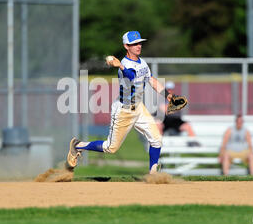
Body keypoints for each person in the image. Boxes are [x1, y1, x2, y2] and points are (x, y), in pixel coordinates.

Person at [66, 31, 187, 174]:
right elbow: (131, 75)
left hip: (139, 108)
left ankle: (153, 174)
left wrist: (168, 95)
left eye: (139, 42)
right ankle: (78, 145)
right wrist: (120, 66)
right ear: (126, 46)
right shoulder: (124, 64)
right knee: (110, 148)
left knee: (156, 140)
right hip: (124, 111)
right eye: (134, 44)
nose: (138, 46)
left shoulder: (142, 63)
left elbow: (151, 80)